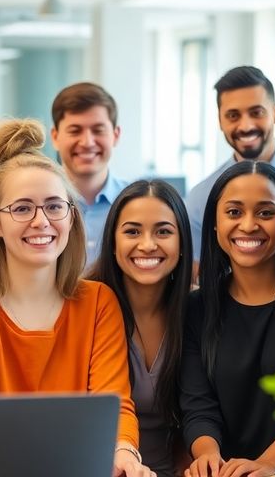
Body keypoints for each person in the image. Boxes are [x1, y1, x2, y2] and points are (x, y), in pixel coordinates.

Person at [0, 118, 152, 477]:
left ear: (71, 216)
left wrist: (124, 452)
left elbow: (114, 406)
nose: (41, 221)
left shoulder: (98, 302)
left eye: (54, 206)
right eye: (21, 208)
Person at [181, 160, 275, 477]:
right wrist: (208, 455)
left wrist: (267, 464)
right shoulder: (197, 308)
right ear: (214, 223)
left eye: (266, 212)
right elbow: (198, 402)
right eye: (234, 212)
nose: (248, 225)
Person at [87, 180, 194, 477]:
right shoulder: (85, 308)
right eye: (132, 231)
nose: (147, 244)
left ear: (182, 242)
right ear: (112, 241)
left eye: (163, 231)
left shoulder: (197, 311)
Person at [186, 66, 275, 262]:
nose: (246, 126)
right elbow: (200, 274)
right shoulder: (200, 199)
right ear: (220, 121)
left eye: (256, 113)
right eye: (233, 116)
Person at [50, 82, 129, 264]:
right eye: (75, 131)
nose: (87, 142)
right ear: (55, 137)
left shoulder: (137, 203)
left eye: (98, 130)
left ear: (115, 135)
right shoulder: (37, 207)